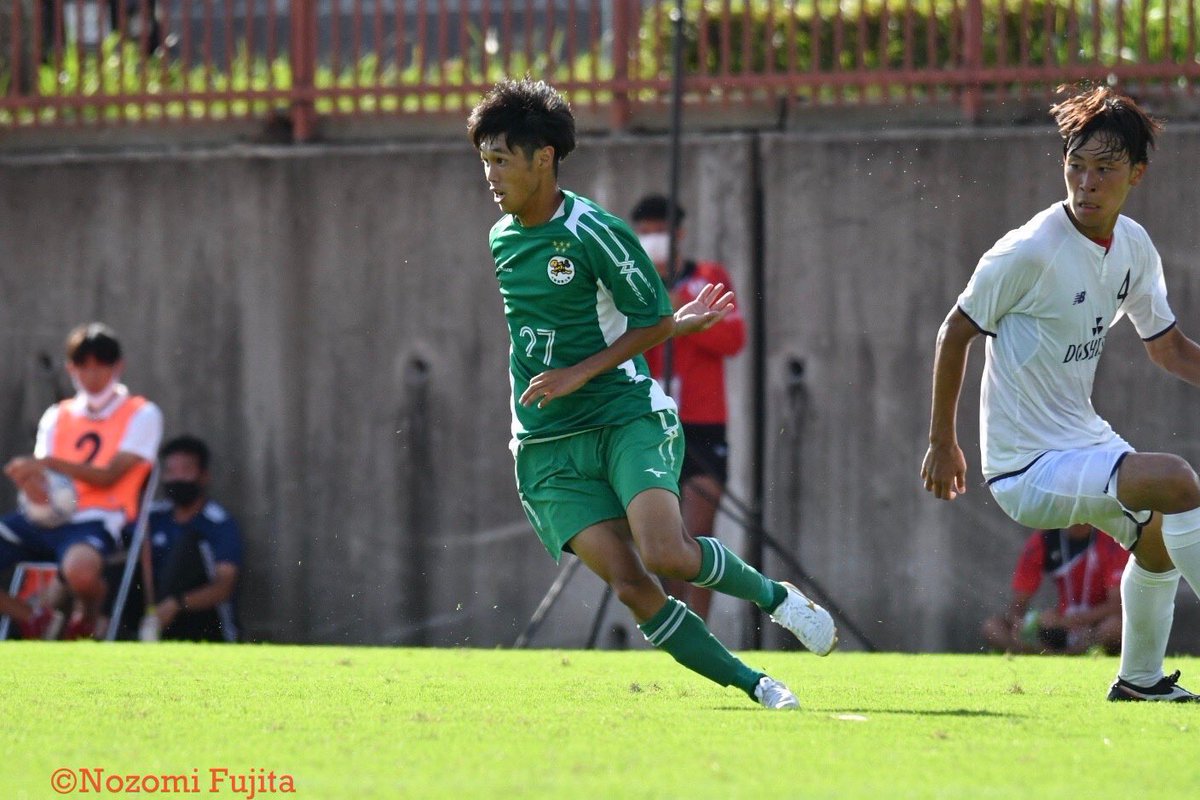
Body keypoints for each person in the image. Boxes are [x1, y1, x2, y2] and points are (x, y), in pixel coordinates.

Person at [468, 78, 836, 711]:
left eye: (501, 160)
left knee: (667, 551)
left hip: (622, 416)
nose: (491, 176)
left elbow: (652, 319)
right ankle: (758, 685)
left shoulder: (595, 231)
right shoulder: (502, 238)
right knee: (634, 585)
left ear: (543, 158)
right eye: (485, 162)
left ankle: (777, 600)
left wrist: (582, 372)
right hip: (546, 445)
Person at [922, 85, 1200, 701]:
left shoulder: (1132, 247)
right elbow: (955, 331)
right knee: (1178, 481)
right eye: (1077, 166)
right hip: (1025, 466)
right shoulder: (1029, 251)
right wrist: (944, 443)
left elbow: (1169, 348)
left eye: (1105, 169)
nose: (1087, 182)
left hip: (1083, 442)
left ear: (1137, 174)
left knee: (1158, 537)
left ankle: (1140, 680)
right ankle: (1141, 677)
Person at [1, 322, 163, 640]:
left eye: (100, 365)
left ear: (118, 366)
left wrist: (46, 463)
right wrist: (32, 487)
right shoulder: (56, 415)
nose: (91, 375)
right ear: (70, 368)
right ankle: (33, 616)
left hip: (98, 520)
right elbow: (45, 485)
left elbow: (109, 475)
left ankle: (88, 615)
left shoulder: (141, 413)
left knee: (80, 570)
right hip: (46, 520)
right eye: (82, 366)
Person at [629, 194, 746, 621]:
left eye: (658, 232)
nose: (652, 241)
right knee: (663, 539)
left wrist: (682, 315)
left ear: (678, 234)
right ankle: (679, 627)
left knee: (698, 531)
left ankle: (703, 627)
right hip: (651, 420)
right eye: (643, 235)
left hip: (701, 421)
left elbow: (733, 339)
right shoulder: (633, 282)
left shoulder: (708, 278)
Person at [139, 435, 243, 642]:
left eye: (185, 471)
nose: (177, 479)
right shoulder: (153, 517)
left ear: (203, 476)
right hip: (155, 616)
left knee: (188, 545)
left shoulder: (218, 522)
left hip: (205, 626)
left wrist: (177, 604)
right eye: (170, 472)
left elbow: (224, 586)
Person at [981, 523, 1128, 655]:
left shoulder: (1110, 537)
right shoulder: (1045, 539)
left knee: (1114, 628)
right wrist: (1020, 623)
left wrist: (1069, 621)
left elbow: (1117, 606)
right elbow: (1019, 603)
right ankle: (1034, 653)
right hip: (1059, 627)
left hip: (1094, 625)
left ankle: (1070, 653)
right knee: (992, 628)